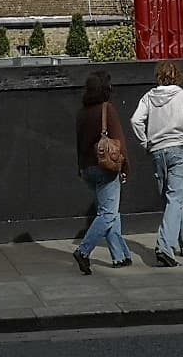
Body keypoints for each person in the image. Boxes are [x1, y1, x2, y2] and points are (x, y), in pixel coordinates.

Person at [131, 61, 183, 267]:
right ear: (178, 76)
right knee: (175, 199)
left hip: (156, 152)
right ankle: (165, 247)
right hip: (177, 150)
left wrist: (145, 142)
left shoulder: (148, 97)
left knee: (171, 200)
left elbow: (135, 120)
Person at [71, 70, 131, 275]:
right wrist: (125, 167)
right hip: (106, 167)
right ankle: (83, 251)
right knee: (108, 213)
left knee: (109, 211)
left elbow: (79, 144)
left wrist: (80, 169)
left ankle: (120, 256)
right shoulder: (107, 109)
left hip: (87, 168)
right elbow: (119, 141)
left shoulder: (81, 113)